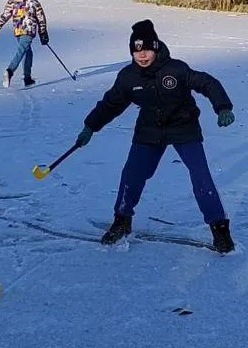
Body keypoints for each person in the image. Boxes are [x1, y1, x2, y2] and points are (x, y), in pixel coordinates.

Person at [74, 19, 237, 253]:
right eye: (136, 51)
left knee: (201, 177)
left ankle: (219, 229)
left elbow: (207, 83)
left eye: (147, 50)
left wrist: (223, 107)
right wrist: (90, 126)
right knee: (132, 174)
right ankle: (122, 221)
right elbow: (111, 103)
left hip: (183, 127)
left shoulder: (176, 69)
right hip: (150, 128)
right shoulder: (129, 77)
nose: (142, 56)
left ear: (156, 48)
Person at [0, 0, 49, 88]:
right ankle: (10, 70)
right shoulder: (34, 3)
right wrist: (43, 33)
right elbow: (41, 19)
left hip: (18, 30)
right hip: (29, 30)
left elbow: (5, 16)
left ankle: (27, 78)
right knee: (22, 50)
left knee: (28, 52)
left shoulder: (12, 3)